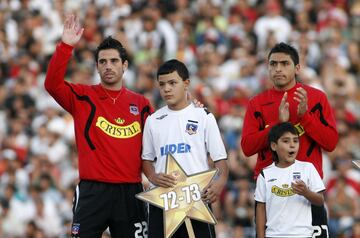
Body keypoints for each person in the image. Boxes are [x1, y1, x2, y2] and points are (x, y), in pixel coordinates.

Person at [44, 15, 152, 237]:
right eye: (102, 62)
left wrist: (190, 108)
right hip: (93, 191)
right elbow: (52, 85)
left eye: (113, 61)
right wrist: (65, 46)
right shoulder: (83, 97)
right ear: (97, 66)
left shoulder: (141, 104)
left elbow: (161, 138)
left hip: (130, 191)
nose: (108, 66)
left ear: (125, 65)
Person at [241, 42, 338, 237]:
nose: (278, 69)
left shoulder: (316, 98)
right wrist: (277, 123)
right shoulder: (257, 103)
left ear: (297, 68)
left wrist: (305, 117)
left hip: (308, 191)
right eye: (273, 64)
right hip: (272, 192)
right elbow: (247, 147)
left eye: (285, 63)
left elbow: (331, 143)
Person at [142, 59, 229, 238]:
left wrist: (219, 183)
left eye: (172, 83)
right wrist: (152, 176)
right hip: (163, 201)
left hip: (196, 199)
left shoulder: (203, 116)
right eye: (162, 84)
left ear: (186, 83)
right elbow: (146, 160)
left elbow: (220, 159)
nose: (167, 89)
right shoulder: (153, 120)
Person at [254, 122, 325, 237]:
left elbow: (320, 200)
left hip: (302, 235)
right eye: (286, 141)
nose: (292, 145)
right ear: (274, 146)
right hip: (274, 235)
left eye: (295, 141)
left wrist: (306, 192)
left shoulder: (307, 168)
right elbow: (260, 208)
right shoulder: (265, 174)